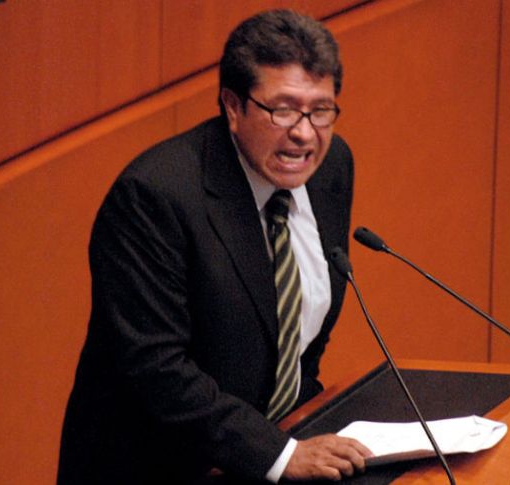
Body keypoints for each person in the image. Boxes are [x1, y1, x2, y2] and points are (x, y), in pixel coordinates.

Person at [57, 9, 371, 484]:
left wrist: (289, 438)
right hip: (157, 467)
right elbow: (157, 369)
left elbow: (298, 337)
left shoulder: (331, 167)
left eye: (320, 110)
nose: (305, 133)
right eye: (283, 109)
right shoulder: (155, 196)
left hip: (258, 458)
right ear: (233, 106)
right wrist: (278, 454)